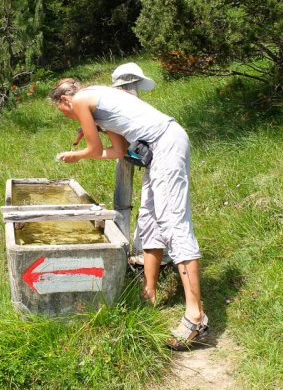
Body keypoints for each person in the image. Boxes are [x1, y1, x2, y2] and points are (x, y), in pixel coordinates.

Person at [49, 63, 209, 350]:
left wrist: (77, 154)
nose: (68, 116)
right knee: (149, 218)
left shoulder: (82, 99)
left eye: (64, 112)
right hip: (158, 150)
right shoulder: (97, 101)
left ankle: (195, 316)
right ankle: (148, 294)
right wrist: (94, 132)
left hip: (165, 143)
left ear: (64, 100)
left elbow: (94, 150)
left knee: (173, 223)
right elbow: (118, 151)